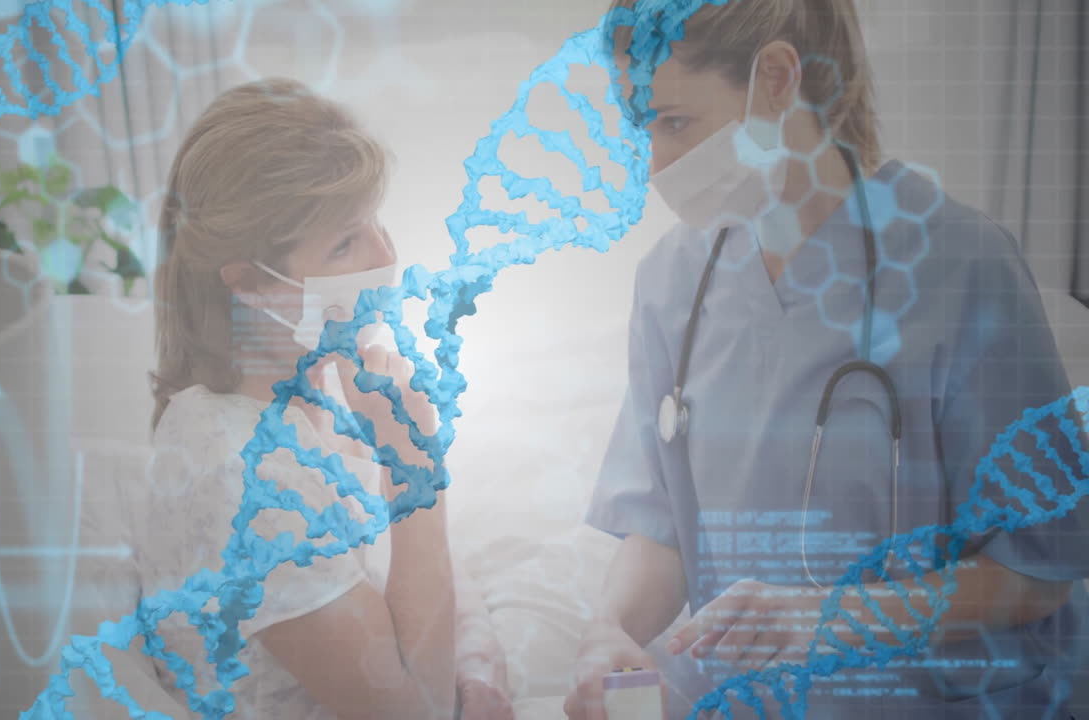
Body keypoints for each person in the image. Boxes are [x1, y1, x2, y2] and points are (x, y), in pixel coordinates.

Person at [565, 1, 1089, 718]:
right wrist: (609, 630)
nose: (654, 165)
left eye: (675, 122)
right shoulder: (672, 281)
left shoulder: (962, 269)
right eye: (642, 128)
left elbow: (1041, 566)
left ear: (776, 78)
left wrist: (831, 617)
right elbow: (662, 528)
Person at [70, 78, 513, 720]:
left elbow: (419, 578)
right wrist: (417, 471)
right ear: (248, 283)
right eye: (344, 243)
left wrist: (475, 665)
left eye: (375, 224)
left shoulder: (317, 388)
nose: (385, 256)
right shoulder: (241, 472)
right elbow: (411, 713)